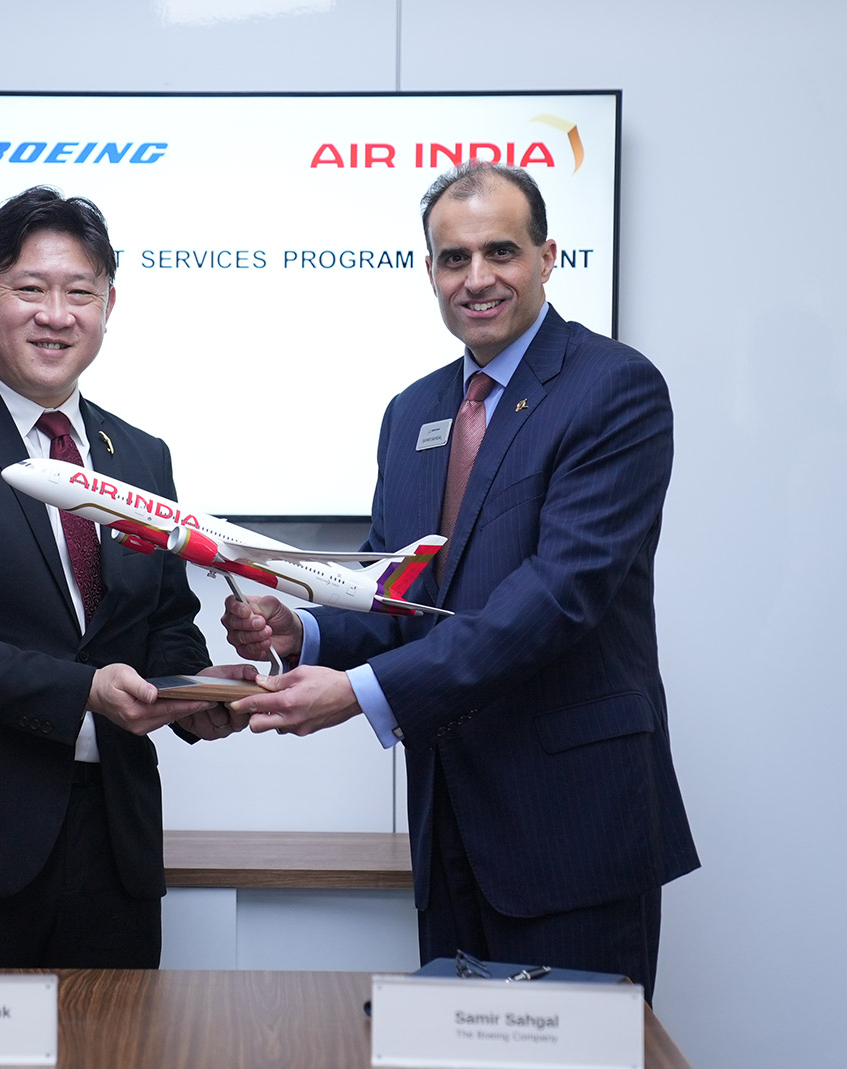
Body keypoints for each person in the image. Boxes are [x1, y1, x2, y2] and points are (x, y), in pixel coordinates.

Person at [225, 162, 698, 1001]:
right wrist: (307, 631)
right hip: (450, 820)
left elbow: (556, 598)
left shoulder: (614, 388)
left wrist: (362, 691)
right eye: (453, 258)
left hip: (572, 823)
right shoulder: (413, 410)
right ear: (430, 270)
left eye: (501, 251)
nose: (476, 279)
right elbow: (399, 588)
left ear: (549, 256)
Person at [0, 186, 250, 969]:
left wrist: (196, 693)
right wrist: (82, 692)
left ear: (109, 304)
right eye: (29, 288)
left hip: (114, 850)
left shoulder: (141, 455)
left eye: (80, 292)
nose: (56, 314)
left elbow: (163, 621)